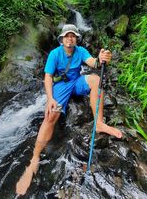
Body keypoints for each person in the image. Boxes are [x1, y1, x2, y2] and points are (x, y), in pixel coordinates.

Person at [16, 24, 122, 196]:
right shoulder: (54, 54)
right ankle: (34, 158)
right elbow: (48, 77)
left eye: (73, 36)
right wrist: (50, 99)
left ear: (76, 39)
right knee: (51, 115)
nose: (70, 38)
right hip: (60, 87)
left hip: (76, 83)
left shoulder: (80, 51)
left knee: (96, 80)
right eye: (67, 36)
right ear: (62, 39)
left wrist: (102, 58)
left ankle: (100, 124)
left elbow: (93, 63)